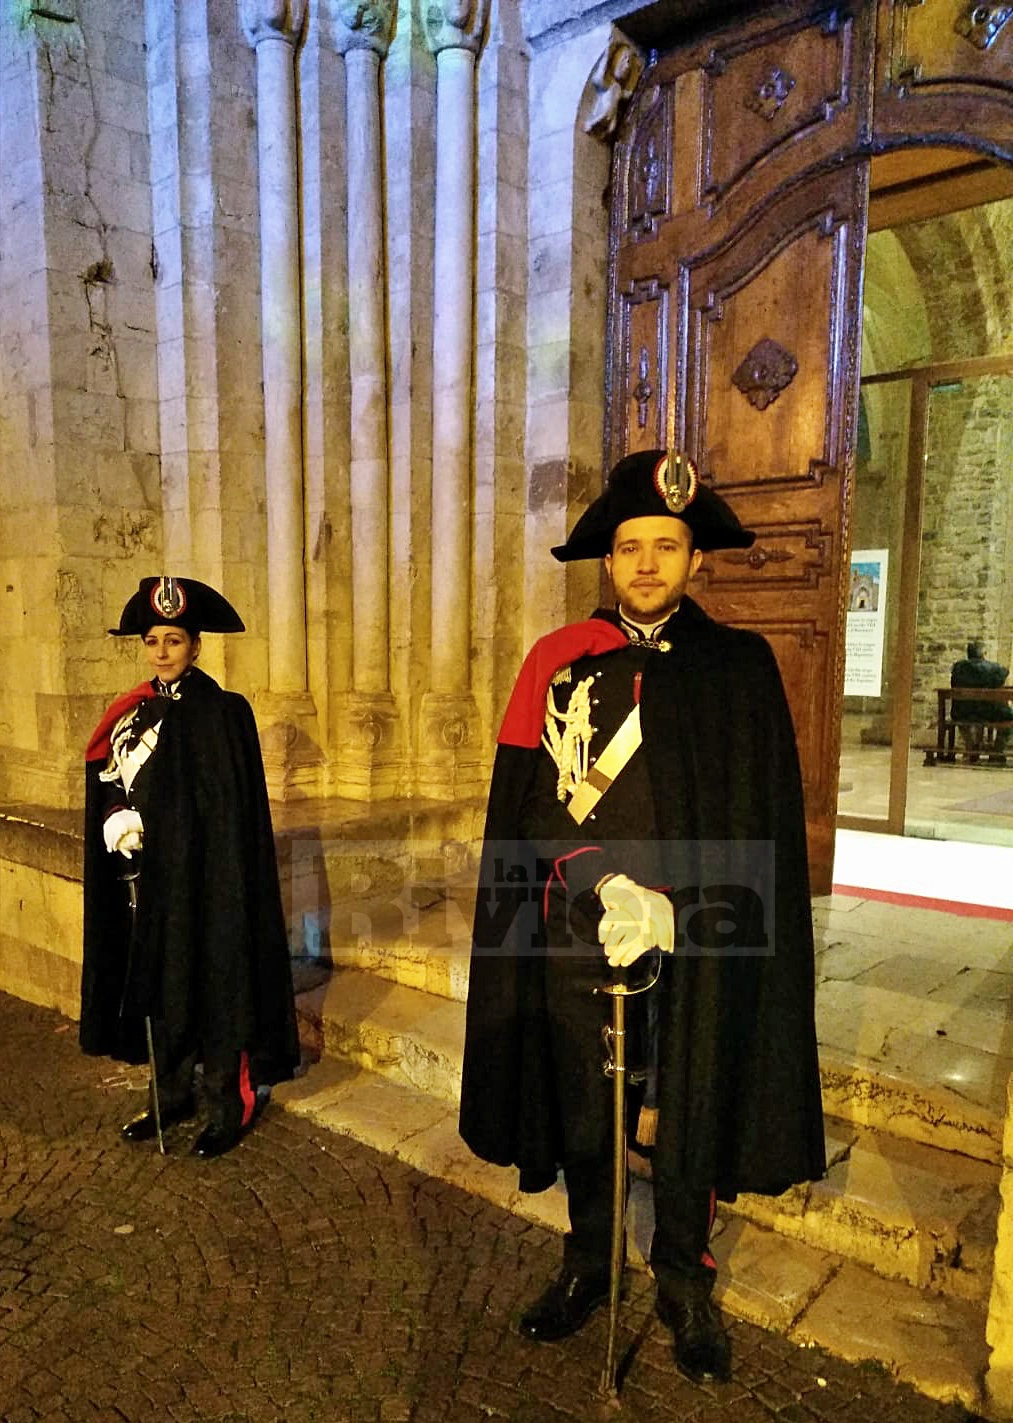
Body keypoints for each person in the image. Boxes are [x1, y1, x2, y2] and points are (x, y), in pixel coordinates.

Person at [459, 450, 826, 1384]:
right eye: (631, 548)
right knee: (584, 1098)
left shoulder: (738, 668)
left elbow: (759, 819)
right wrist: (597, 886)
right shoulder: (561, 664)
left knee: (692, 1093)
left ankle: (682, 1275)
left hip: (692, 934)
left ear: (694, 558)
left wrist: (682, 912)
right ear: (609, 561)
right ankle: (587, 1257)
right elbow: (534, 805)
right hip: (582, 925)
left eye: (667, 545)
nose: (649, 563)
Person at [80, 576, 300, 1158]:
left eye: (174, 640)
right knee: (162, 984)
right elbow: (110, 778)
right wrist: (117, 815)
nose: (161, 651)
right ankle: (171, 1093)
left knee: (218, 985)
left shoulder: (223, 714)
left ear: (196, 645)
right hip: (148, 885)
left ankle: (229, 1102)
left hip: (210, 882)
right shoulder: (131, 713)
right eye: (152, 640)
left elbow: (231, 809)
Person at [950, 640, 1013, 754]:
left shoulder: (958, 668)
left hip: (962, 712)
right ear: (984, 654)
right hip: (987, 711)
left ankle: (971, 747)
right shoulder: (993, 668)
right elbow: (1003, 676)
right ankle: (997, 750)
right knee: (1009, 717)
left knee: (962, 717)